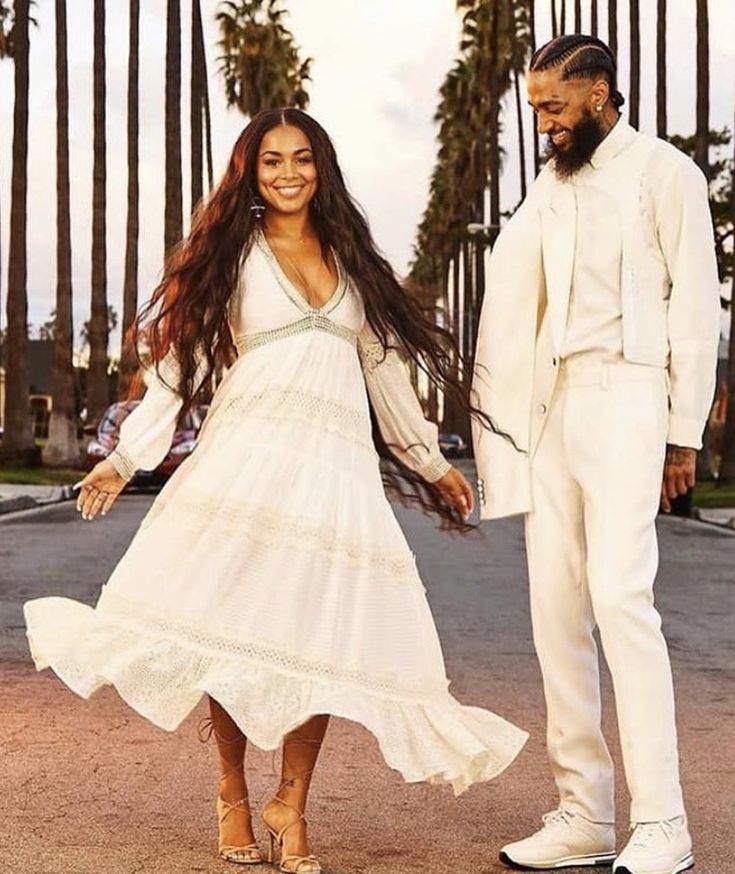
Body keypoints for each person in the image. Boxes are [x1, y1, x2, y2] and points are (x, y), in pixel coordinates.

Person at [24, 108, 528, 874]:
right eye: (271, 162)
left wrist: (430, 462)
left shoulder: (352, 260)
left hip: (334, 477)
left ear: (320, 167)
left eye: (300, 159)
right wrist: (125, 457)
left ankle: (290, 804)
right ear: (250, 174)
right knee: (233, 632)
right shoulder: (233, 256)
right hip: (247, 465)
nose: (288, 172)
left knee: (318, 640)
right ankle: (231, 791)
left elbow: (386, 373)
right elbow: (179, 365)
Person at [471, 34, 720, 874]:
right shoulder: (551, 187)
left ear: (600, 94)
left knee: (620, 598)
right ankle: (584, 811)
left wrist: (683, 432)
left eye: (553, 105)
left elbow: (694, 306)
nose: (541, 122)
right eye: (534, 106)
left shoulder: (664, 173)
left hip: (627, 397)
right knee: (554, 611)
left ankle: (663, 823)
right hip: (554, 405)